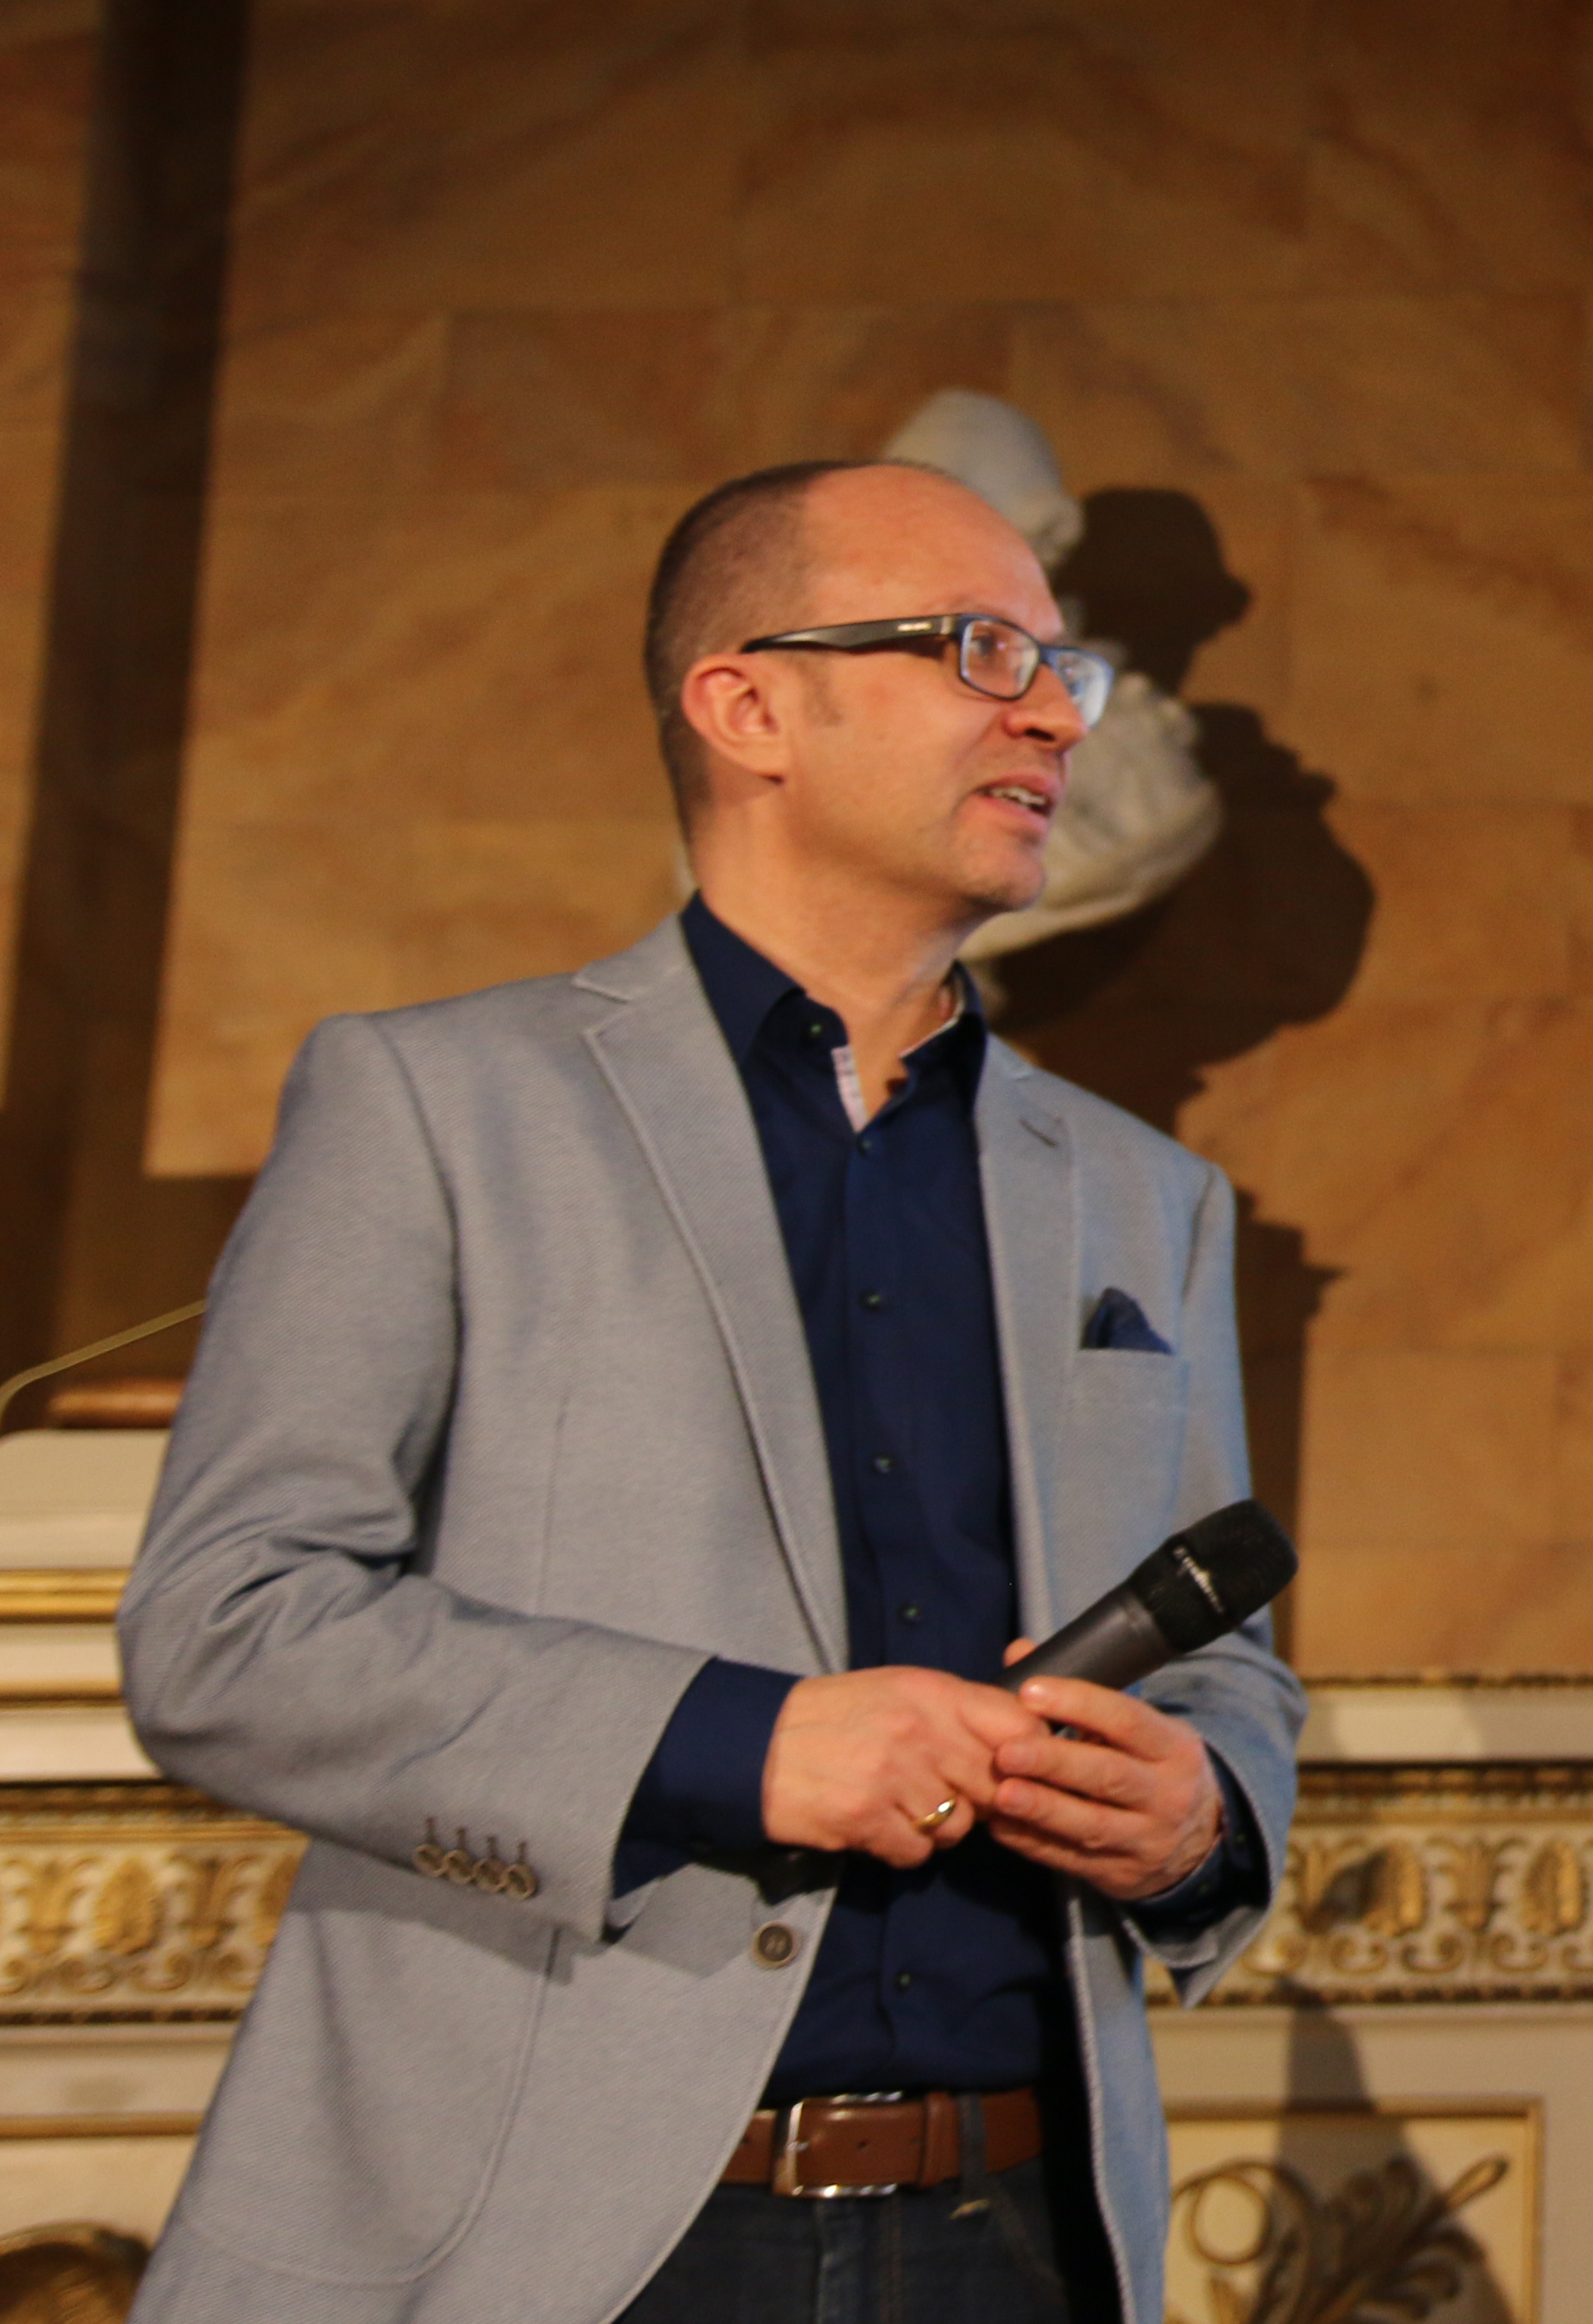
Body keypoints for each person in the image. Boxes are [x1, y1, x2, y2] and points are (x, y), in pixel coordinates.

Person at [119, 460, 1305, 2324]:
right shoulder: (433, 1105)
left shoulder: (1148, 1197)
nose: (1054, 715)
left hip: (1021, 2234)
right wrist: (733, 1741)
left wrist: (1205, 1816)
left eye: (1060, 666)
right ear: (747, 705)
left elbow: (1231, 1672)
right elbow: (228, 1626)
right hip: (557, 2240)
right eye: (980, 649)